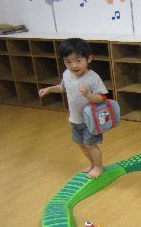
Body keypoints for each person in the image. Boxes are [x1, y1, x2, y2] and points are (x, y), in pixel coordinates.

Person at [39, 38, 108, 178]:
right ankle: (93, 163)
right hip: (75, 119)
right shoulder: (66, 74)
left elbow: (102, 98)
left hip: (90, 120)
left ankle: (99, 167)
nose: (73, 65)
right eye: (68, 62)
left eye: (78, 60)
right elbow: (62, 87)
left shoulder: (93, 78)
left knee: (90, 145)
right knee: (81, 144)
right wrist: (50, 89)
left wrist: (88, 95)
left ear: (89, 59)